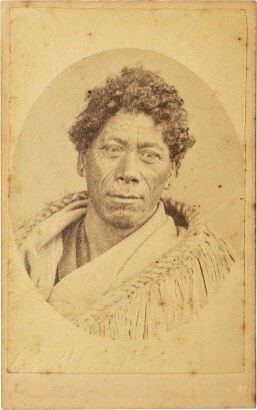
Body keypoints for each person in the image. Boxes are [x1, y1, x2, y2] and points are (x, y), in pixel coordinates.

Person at [17, 66, 234, 340]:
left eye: (149, 155)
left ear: (172, 172)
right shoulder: (30, 249)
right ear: (82, 161)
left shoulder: (199, 274)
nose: (128, 172)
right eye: (112, 149)